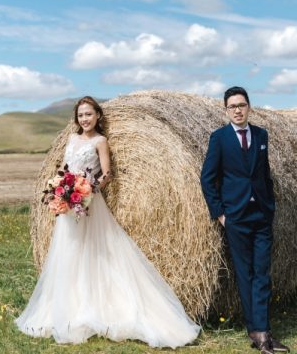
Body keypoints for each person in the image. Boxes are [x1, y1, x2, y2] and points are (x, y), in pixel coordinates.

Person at [16, 96, 200, 348]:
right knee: (69, 251)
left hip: (90, 203)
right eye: (81, 115)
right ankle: (69, 306)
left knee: (95, 251)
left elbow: (107, 173)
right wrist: (60, 189)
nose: (85, 119)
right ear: (76, 118)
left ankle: (97, 304)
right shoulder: (71, 139)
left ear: (98, 116)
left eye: (89, 114)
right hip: (69, 205)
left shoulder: (101, 141)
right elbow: (64, 168)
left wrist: (87, 191)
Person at [200, 87, 290, 354]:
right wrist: (220, 214)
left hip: (261, 215)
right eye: (232, 106)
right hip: (235, 217)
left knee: (262, 273)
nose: (238, 110)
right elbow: (207, 178)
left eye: (242, 105)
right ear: (226, 110)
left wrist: (269, 205)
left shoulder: (262, 135)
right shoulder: (219, 138)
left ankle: (261, 332)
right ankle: (259, 332)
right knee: (245, 273)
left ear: (249, 107)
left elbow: (264, 174)